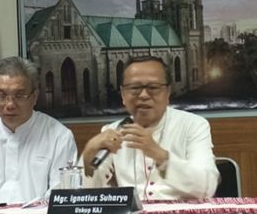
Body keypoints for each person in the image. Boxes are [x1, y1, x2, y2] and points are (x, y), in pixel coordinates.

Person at [80, 56, 219, 199]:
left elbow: (207, 187)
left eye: (153, 88)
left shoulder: (193, 125)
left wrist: (159, 155)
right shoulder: (113, 131)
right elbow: (85, 196)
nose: (144, 95)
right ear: (123, 94)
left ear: (168, 92)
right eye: (134, 88)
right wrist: (88, 154)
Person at [0, 56, 77, 204]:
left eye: (19, 95)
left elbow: (61, 199)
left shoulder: (59, 137)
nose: (10, 104)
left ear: (34, 97)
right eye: (2, 95)